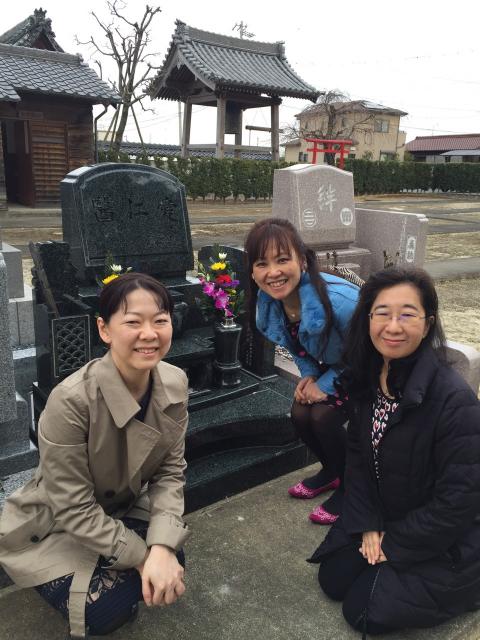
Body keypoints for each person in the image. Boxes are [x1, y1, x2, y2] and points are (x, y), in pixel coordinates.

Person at [0, 273, 190, 638]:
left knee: (173, 554)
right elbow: (73, 507)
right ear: (104, 329)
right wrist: (144, 556)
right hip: (57, 521)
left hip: (121, 506)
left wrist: (163, 546)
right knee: (105, 610)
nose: (149, 334)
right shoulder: (71, 402)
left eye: (160, 320)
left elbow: (170, 470)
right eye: (132, 322)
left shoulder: (174, 382)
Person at [311, 266, 480, 635]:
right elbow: (358, 460)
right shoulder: (368, 378)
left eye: (407, 315)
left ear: (428, 323)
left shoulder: (453, 400)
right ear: (367, 319)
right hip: (388, 512)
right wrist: (368, 522)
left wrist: (397, 542)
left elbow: (459, 499)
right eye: (382, 313)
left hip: (443, 534)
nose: (393, 327)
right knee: (333, 578)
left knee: (361, 610)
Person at [244, 218, 360, 524]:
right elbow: (296, 347)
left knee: (322, 417)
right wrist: (309, 376)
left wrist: (325, 385)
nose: (273, 272)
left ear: (302, 261)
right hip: (333, 367)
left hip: (368, 371)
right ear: (252, 272)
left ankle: (352, 488)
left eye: (283, 260)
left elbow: (366, 354)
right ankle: (332, 471)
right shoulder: (271, 302)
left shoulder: (340, 302)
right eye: (262, 263)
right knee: (299, 413)